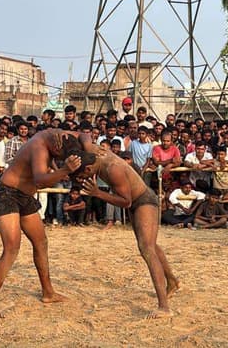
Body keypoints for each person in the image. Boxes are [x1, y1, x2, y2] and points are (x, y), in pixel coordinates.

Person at [70, 133, 180, 318]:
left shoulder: (112, 168)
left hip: (143, 200)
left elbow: (126, 201)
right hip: (136, 200)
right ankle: (172, 281)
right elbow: (83, 135)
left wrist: (98, 193)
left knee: (146, 248)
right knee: (150, 245)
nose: (84, 179)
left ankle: (164, 307)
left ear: (88, 168)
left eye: (84, 175)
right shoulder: (91, 151)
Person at [0, 129, 78, 318]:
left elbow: (81, 136)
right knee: (11, 248)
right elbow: (40, 180)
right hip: (7, 194)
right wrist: (65, 170)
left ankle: (48, 292)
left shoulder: (53, 138)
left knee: (41, 242)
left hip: (25, 196)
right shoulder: (39, 147)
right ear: (56, 146)